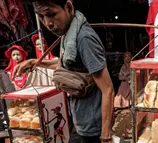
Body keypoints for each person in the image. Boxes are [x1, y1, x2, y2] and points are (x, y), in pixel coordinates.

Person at [13, 0, 114, 143]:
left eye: (51, 14)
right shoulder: (68, 35)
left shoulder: (84, 38)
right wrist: (35, 62)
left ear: (68, 7)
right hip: (80, 119)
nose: (48, 23)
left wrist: (106, 134)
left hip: (93, 127)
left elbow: (108, 89)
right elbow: (68, 67)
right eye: (41, 17)